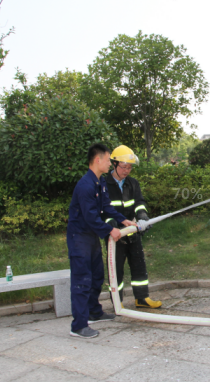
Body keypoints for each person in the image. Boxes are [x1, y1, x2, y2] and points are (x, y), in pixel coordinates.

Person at [66, 143, 136, 339]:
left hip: (91, 237)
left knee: (97, 275)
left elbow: (106, 207)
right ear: (98, 160)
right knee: (82, 280)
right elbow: (90, 217)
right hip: (79, 237)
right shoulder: (85, 185)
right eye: (107, 159)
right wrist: (110, 230)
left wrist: (123, 220)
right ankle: (78, 326)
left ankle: (94, 312)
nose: (109, 163)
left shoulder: (100, 182)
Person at [103, 145, 162, 309]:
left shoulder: (132, 183)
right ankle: (117, 301)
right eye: (123, 167)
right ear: (114, 164)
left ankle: (142, 298)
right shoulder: (104, 184)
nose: (127, 170)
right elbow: (102, 210)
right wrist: (111, 225)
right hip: (114, 234)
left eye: (129, 167)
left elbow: (139, 203)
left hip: (132, 231)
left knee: (138, 265)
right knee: (116, 269)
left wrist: (142, 216)